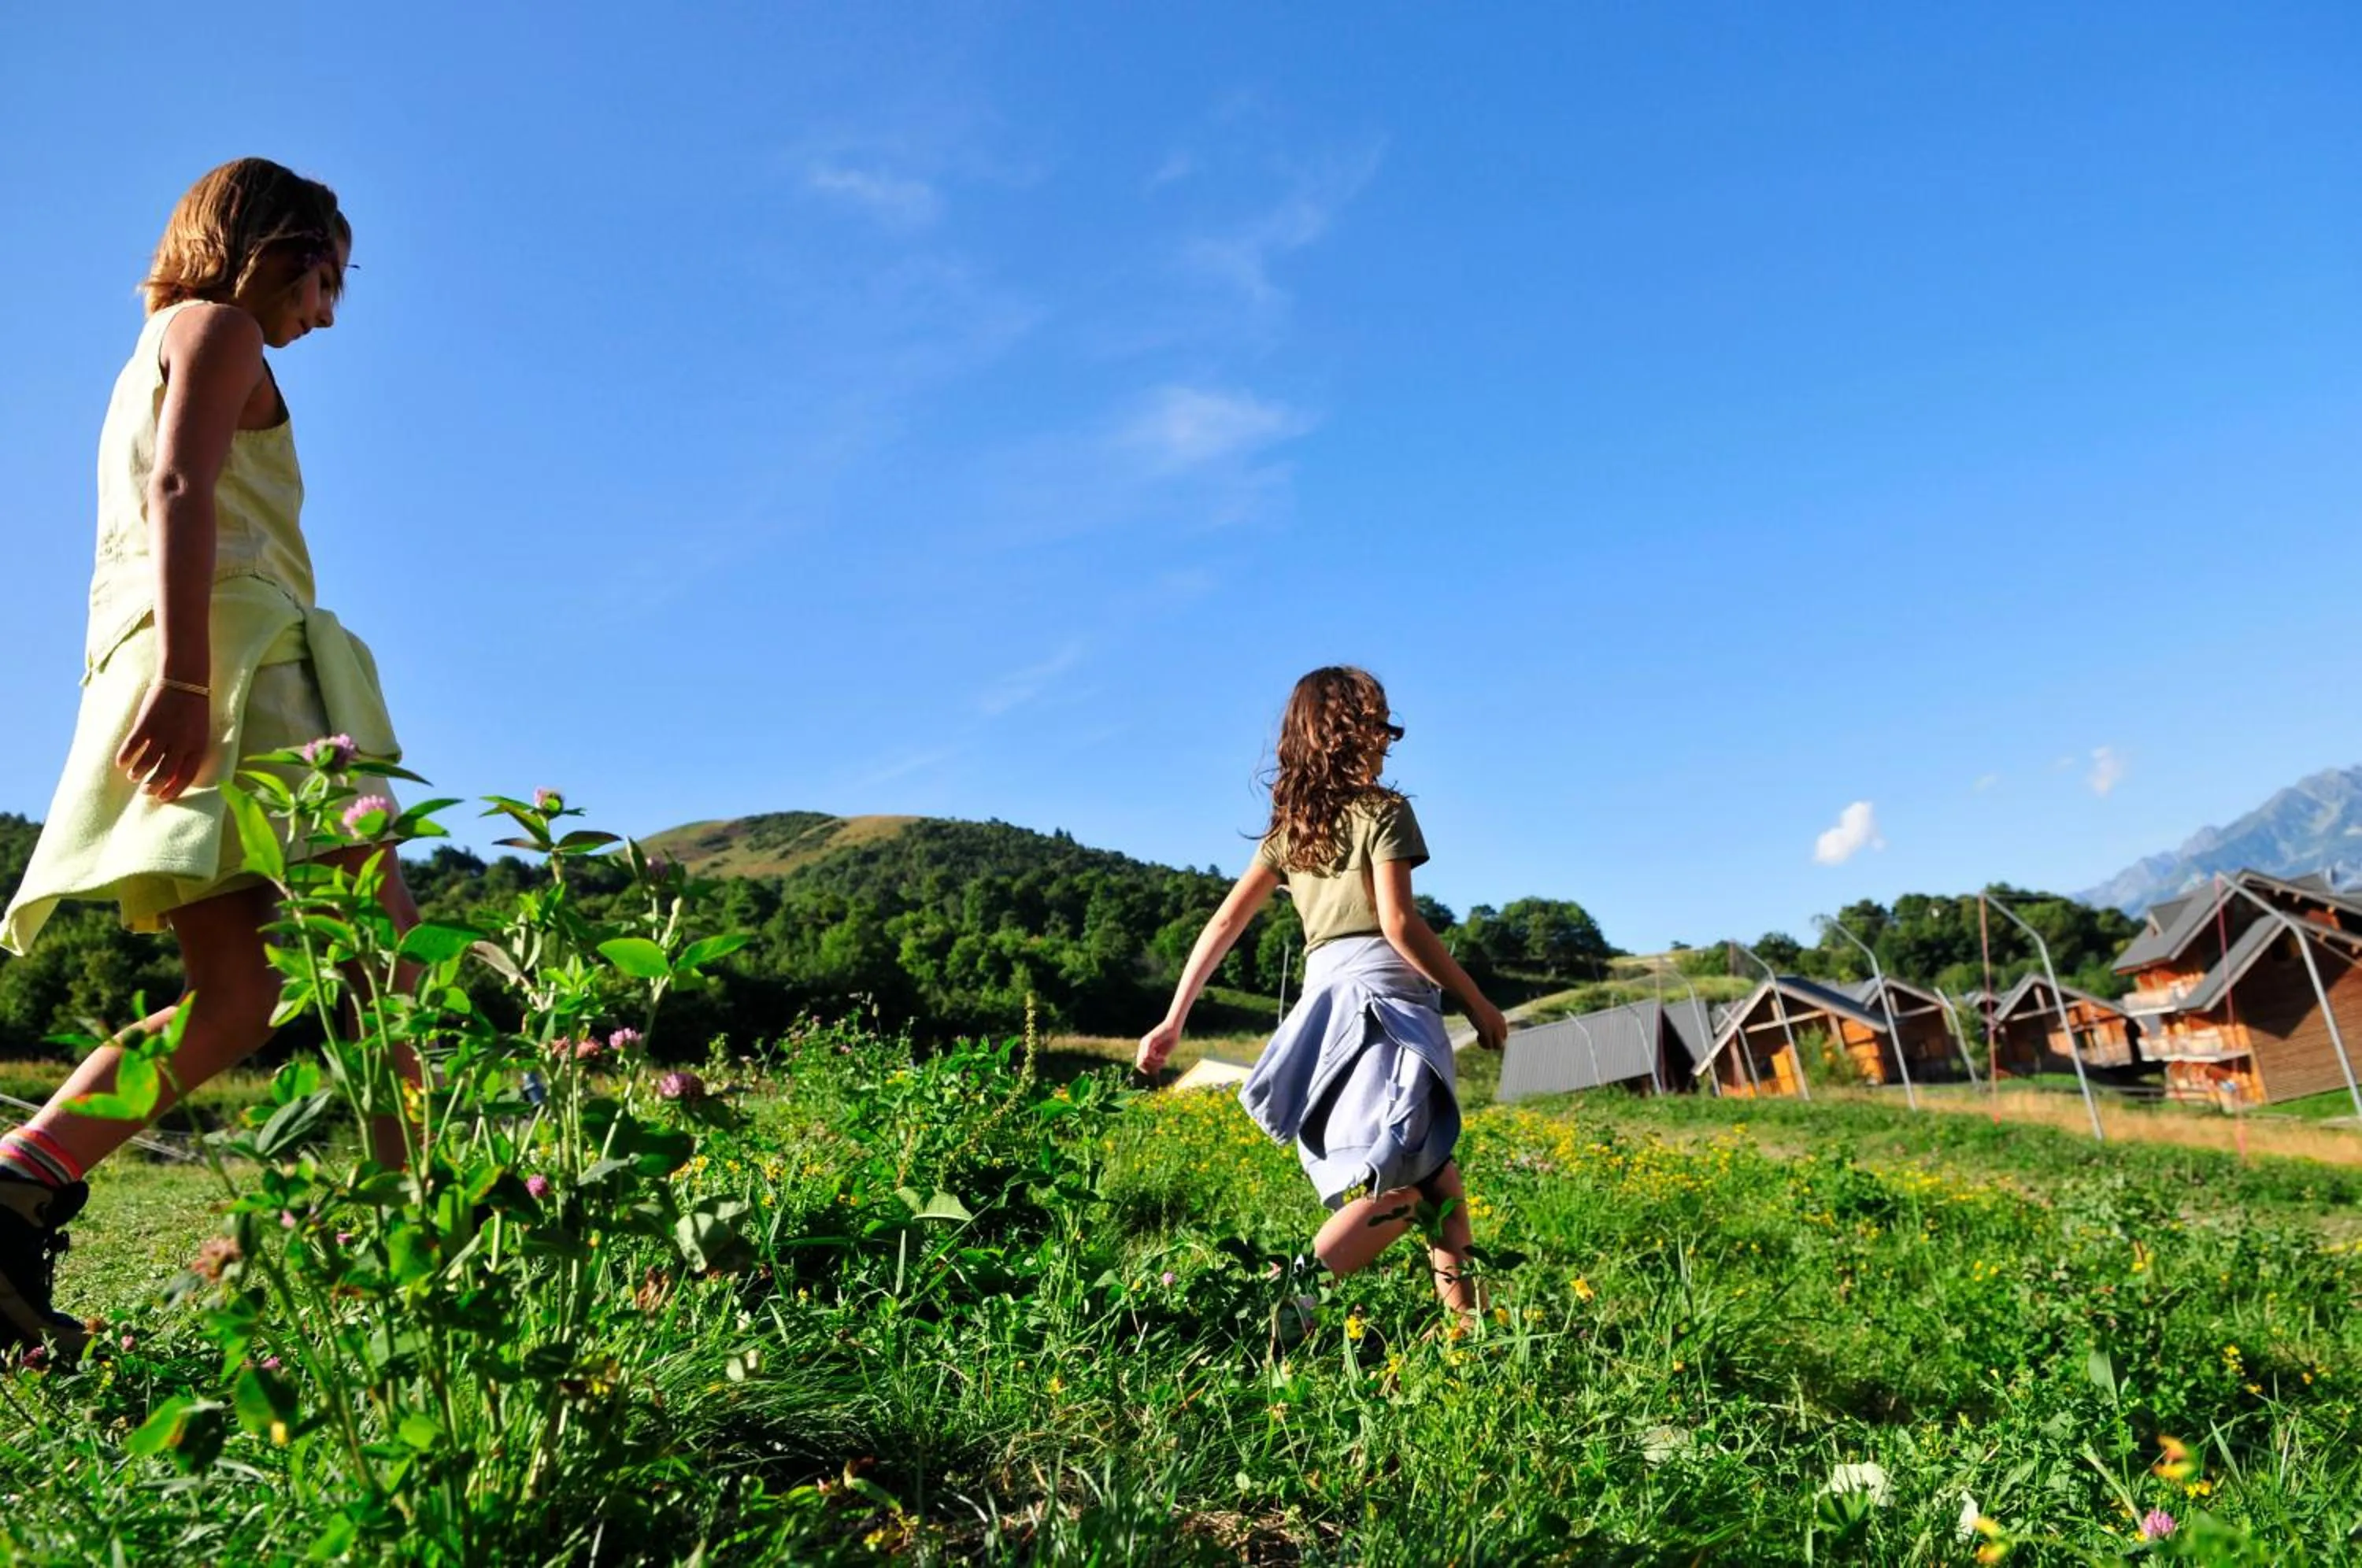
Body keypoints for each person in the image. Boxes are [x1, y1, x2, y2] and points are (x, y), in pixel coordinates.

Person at [0, 159, 416, 1356]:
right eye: (326, 275)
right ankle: (418, 1253)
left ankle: (19, 1183)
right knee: (384, 961)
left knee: (237, 998)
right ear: (271, 248)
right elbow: (187, 485)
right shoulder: (222, 325)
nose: (326, 312)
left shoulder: (146, 356)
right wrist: (190, 684)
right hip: (235, 670)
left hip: (165, 659)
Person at [1137, 666, 1509, 1329]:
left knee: (1437, 1178)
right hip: (1386, 1001)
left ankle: (1470, 1337)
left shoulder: (1292, 832)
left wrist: (1172, 1020)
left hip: (1326, 1001)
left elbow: (1223, 924)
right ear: (1352, 732)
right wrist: (1477, 1004)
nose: (1388, 739)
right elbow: (1399, 925)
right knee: (1404, 1189)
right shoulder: (1385, 812)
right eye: (1380, 723)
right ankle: (1280, 1304)